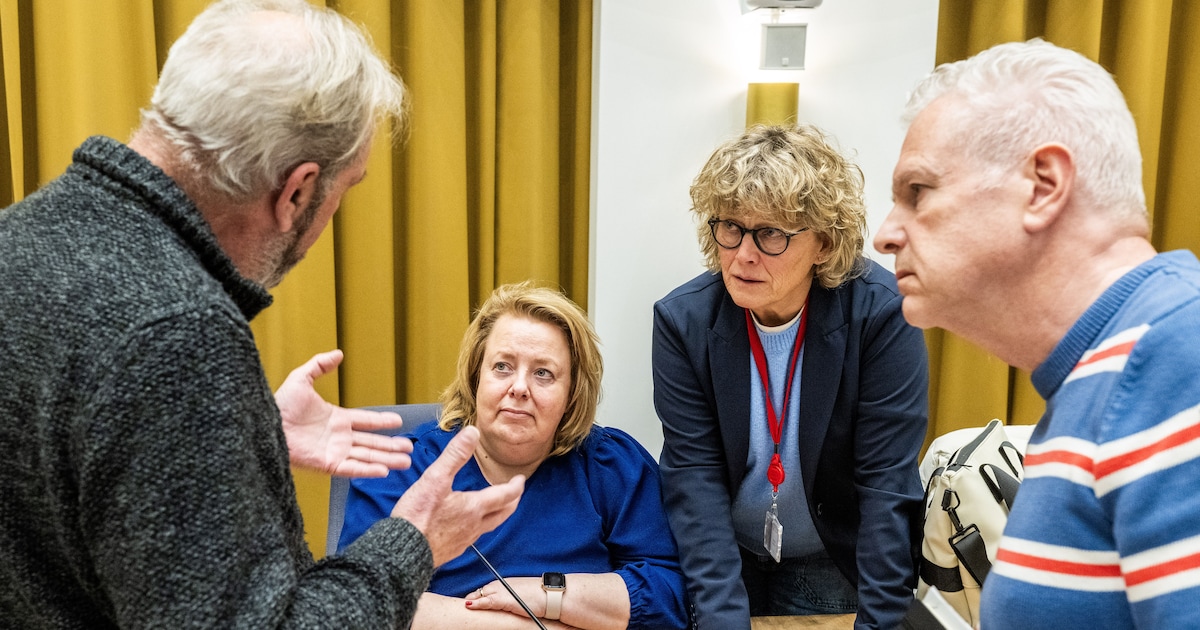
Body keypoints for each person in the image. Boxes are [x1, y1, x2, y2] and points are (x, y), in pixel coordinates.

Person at [0, 1, 524, 627]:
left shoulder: (17, 239)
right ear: (298, 190)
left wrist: (242, 435)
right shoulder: (177, 333)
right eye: (344, 189)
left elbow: (57, 474)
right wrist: (415, 538)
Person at [873, 38, 1200, 629]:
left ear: (1044, 185)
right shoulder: (1097, 381)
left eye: (917, 193)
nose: (886, 234)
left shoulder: (1178, 355)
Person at [653, 123, 929, 629]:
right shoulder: (683, 322)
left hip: (830, 553)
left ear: (823, 244)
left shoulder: (883, 317)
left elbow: (886, 491)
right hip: (724, 556)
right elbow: (695, 480)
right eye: (731, 227)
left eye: (772, 234)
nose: (743, 255)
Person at [340, 282, 691, 630]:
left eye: (543, 373)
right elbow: (358, 602)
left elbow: (670, 596)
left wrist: (546, 594)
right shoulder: (400, 467)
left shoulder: (611, 466)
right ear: (476, 376)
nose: (519, 388)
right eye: (503, 366)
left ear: (572, 393)